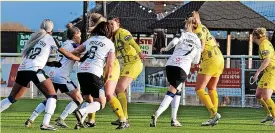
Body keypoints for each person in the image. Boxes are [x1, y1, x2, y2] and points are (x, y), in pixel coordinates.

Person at [0, 19, 80, 131]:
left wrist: (50, 63)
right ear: (51, 29)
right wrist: (79, 59)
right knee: (52, 96)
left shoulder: (34, 37)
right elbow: (68, 54)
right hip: (36, 71)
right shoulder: (50, 38)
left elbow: (34, 58)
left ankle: (41, 121)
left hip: (23, 70)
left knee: (12, 98)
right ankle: (45, 123)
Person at [24, 23, 83, 128]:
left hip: (52, 73)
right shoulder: (74, 45)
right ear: (75, 35)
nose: (81, 38)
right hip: (61, 76)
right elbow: (82, 51)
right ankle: (61, 118)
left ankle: (31, 119)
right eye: (80, 35)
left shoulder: (64, 43)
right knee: (79, 99)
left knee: (49, 98)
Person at [69, 22, 123, 129]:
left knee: (89, 99)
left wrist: (80, 58)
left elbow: (75, 51)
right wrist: (106, 78)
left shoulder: (90, 40)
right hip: (94, 72)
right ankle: (81, 111)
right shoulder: (109, 43)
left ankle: (80, 122)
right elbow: (110, 64)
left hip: (81, 71)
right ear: (108, 31)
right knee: (101, 103)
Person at [150, 17, 202, 127]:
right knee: (173, 90)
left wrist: (166, 48)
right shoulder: (197, 40)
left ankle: (174, 119)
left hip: (170, 64)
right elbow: (197, 61)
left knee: (177, 89)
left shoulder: (182, 34)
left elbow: (173, 43)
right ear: (196, 27)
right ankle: (156, 114)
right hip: (182, 67)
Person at [109, 17, 146, 126]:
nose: (110, 26)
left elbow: (133, 43)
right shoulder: (114, 37)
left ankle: (124, 118)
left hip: (134, 62)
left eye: (112, 24)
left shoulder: (123, 32)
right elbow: (114, 53)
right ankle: (124, 117)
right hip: (127, 64)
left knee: (119, 88)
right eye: (109, 24)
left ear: (118, 24)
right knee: (119, 90)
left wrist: (140, 53)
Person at [192, 11, 224, 126]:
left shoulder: (196, 30)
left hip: (210, 59)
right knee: (211, 88)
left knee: (199, 89)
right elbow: (214, 41)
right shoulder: (203, 26)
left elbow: (201, 44)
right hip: (219, 57)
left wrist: (197, 58)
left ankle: (214, 113)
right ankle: (213, 117)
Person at [253, 27, 275, 126]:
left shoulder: (264, 45)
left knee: (266, 96)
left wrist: (257, 72)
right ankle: (269, 114)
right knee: (258, 95)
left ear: (255, 36)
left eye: (252, 35)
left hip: (272, 71)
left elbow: (267, 60)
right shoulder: (264, 43)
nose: (251, 38)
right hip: (267, 72)